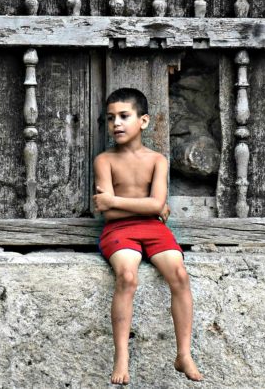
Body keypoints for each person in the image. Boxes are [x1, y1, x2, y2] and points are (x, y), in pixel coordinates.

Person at [92, 88, 203, 385]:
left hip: (154, 229)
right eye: (111, 118)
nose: (117, 123)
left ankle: (184, 354)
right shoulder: (104, 160)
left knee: (179, 274)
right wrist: (145, 207)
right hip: (119, 231)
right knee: (127, 276)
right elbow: (111, 215)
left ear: (143, 121)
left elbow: (149, 205)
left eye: (124, 116)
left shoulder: (157, 160)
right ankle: (122, 357)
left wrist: (115, 201)